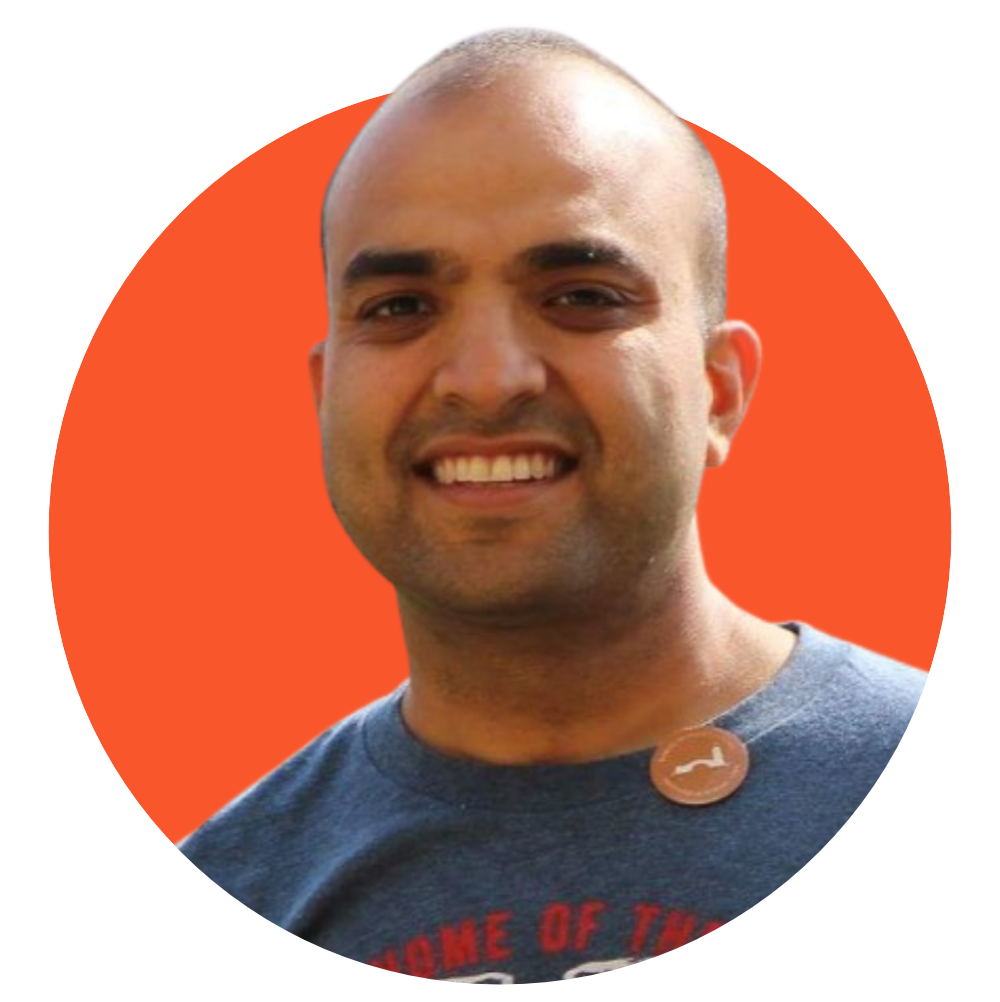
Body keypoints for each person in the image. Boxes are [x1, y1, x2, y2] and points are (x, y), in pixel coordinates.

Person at [178, 26, 927, 982]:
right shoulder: (244, 879)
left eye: (581, 296)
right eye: (401, 307)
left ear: (720, 392)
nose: (487, 379)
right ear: (327, 399)